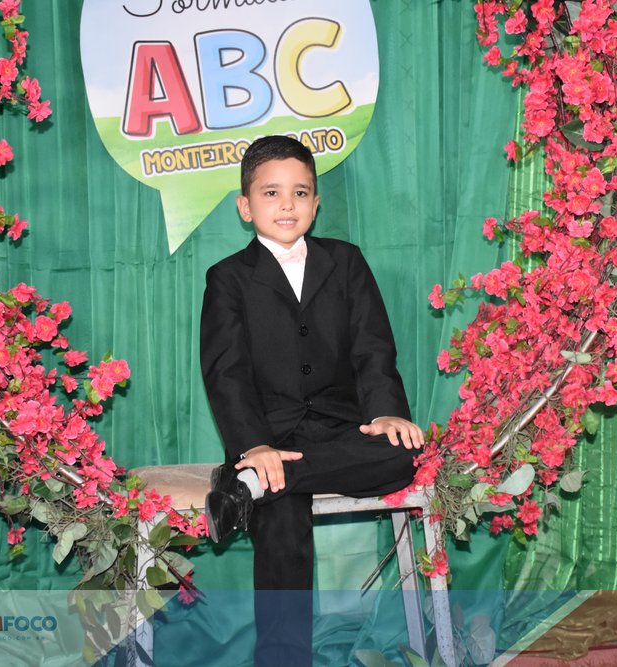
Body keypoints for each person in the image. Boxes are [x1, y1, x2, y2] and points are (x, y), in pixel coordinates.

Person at [199, 135, 423, 666]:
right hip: (269, 434)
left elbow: (372, 347)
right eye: (271, 193)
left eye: (300, 193)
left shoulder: (345, 262)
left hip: (342, 430)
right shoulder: (227, 278)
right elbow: (226, 373)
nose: (287, 204)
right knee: (280, 523)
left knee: (405, 454)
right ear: (245, 206)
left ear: (316, 204)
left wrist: (386, 412)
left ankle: (252, 485)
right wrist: (254, 446)